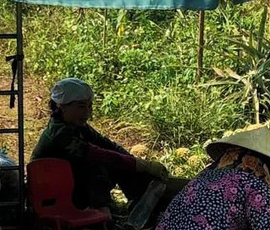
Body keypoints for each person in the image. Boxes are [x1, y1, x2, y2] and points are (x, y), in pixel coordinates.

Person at [32, 78, 172, 212]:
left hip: (71, 184)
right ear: (61, 107)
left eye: (89, 106)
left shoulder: (77, 125)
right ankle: (104, 218)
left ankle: (143, 204)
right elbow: (96, 155)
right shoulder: (59, 133)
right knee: (98, 166)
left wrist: (136, 164)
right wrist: (139, 164)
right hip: (52, 193)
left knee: (120, 162)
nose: (87, 112)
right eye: (81, 106)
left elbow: (107, 145)